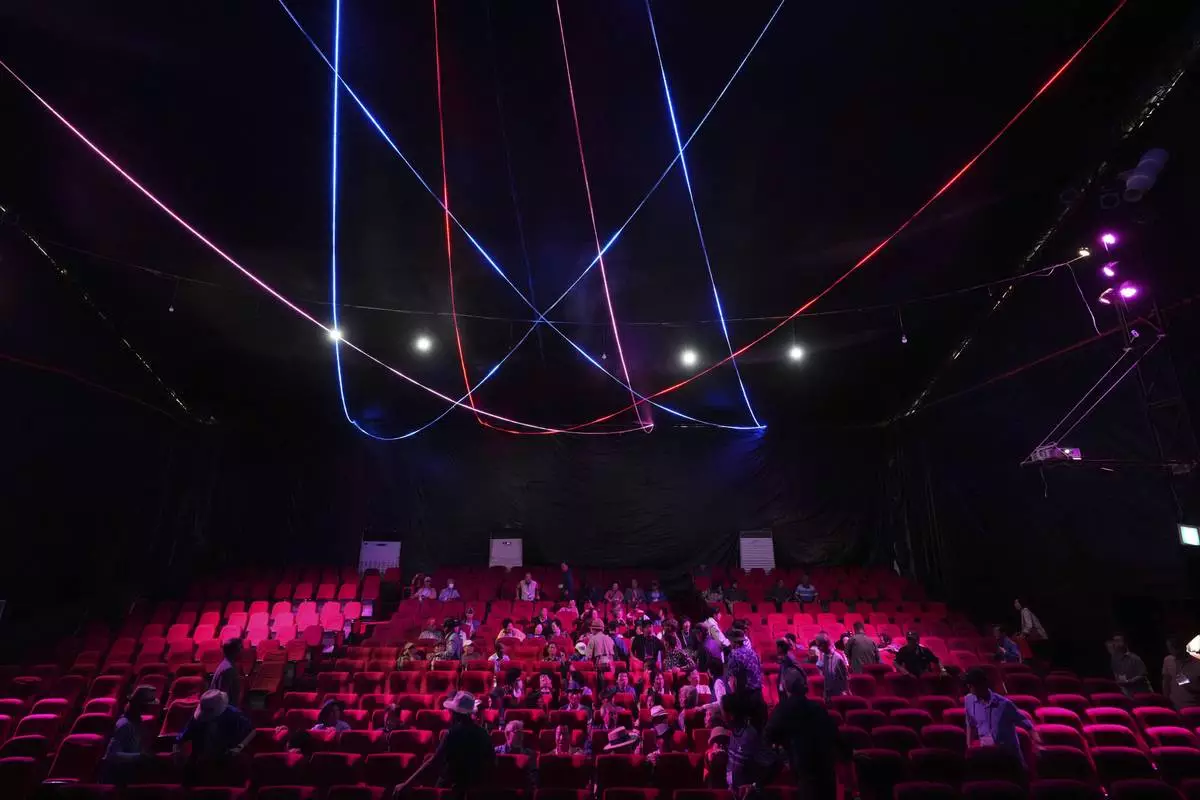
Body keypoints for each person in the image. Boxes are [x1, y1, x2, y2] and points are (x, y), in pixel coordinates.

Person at [395, 691, 494, 800]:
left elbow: (434, 761)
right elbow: (492, 761)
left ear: (455, 713)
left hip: (452, 787)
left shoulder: (452, 733)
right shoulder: (483, 733)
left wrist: (406, 783)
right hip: (476, 787)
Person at [765, 672, 844, 800]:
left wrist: (781, 750)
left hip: (805, 769)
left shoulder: (783, 709)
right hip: (825, 768)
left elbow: (768, 736)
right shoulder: (817, 707)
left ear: (785, 687)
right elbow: (834, 733)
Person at [963, 667, 1036, 767]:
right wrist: (969, 746)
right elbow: (970, 724)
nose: (969, 687)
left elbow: (1026, 724)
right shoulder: (968, 700)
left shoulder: (1004, 704)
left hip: (1007, 755)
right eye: (968, 684)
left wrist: (1037, 742)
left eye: (972, 684)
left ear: (983, 684)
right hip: (986, 752)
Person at [174, 690, 255, 768]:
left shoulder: (235, 716)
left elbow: (251, 732)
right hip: (200, 760)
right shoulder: (198, 719)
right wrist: (177, 750)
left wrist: (239, 748)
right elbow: (183, 736)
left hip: (226, 760)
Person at [101, 684, 159, 785]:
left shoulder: (138, 723)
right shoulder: (124, 725)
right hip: (118, 780)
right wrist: (139, 756)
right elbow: (112, 755)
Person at [723, 692, 776, 790]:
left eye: (724, 713)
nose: (723, 718)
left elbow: (773, 764)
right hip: (733, 792)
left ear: (732, 715)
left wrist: (755, 786)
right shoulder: (733, 733)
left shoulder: (750, 735)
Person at [725, 628, 764, 706]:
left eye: (730, 641)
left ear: (734, 642)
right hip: (758, 693)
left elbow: (732, 678)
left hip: (745, 695)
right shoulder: (753, 652)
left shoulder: (734, 654)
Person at [1163, 635, 1200, 709]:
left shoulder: (1197, 664)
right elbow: (1166, 681)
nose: (1171, 651)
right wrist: (1165, 700)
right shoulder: (1168, 660)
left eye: (1173, 648)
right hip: (1174, 707)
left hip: (1193, 708)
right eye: (1170, 648)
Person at [1013, 598, 1049, 663]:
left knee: (1038, 658)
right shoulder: (1023, 611)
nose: (1015, 604)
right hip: (1035, 637)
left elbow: (1029, 626)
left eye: (1016, 603)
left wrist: (1022, 635)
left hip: (1038, 637)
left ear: (1020, 603)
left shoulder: (1025, 611)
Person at [814, 634, 847, 700]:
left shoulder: (838, 658)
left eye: (819, 646)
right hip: (828, 692)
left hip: (838, 693)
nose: (818, 648)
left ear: (824, 645)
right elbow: (819, 667)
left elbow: (844, 676)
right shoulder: (824, 656)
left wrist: (844, 691)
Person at [210, 638, 243, 704]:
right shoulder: (228, 669)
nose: (241, 652)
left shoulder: (225, 664)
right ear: (235, 652)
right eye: (240, 649)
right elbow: (223, 695)